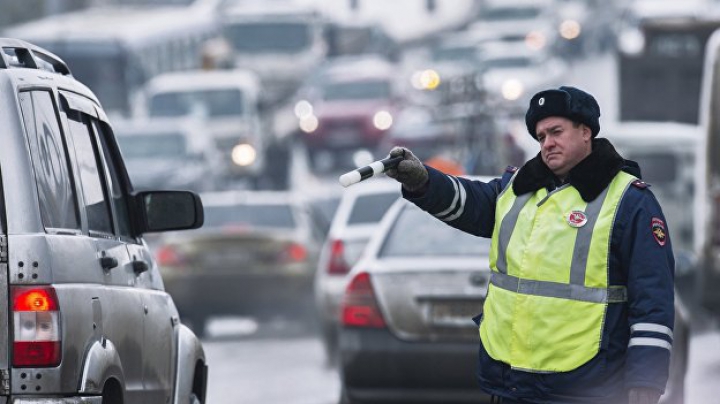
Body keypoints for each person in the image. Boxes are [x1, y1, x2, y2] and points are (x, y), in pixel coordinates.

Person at [385, 86, 675, 404]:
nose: (547, 143)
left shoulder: (630, 201)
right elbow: (468, 203)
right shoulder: (518, 188)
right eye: (540, 137)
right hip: (511, 380)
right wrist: (423, 180)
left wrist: (645, 382)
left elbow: (653, 298)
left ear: (585, 132)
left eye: (556, 132)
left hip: (587, 386)